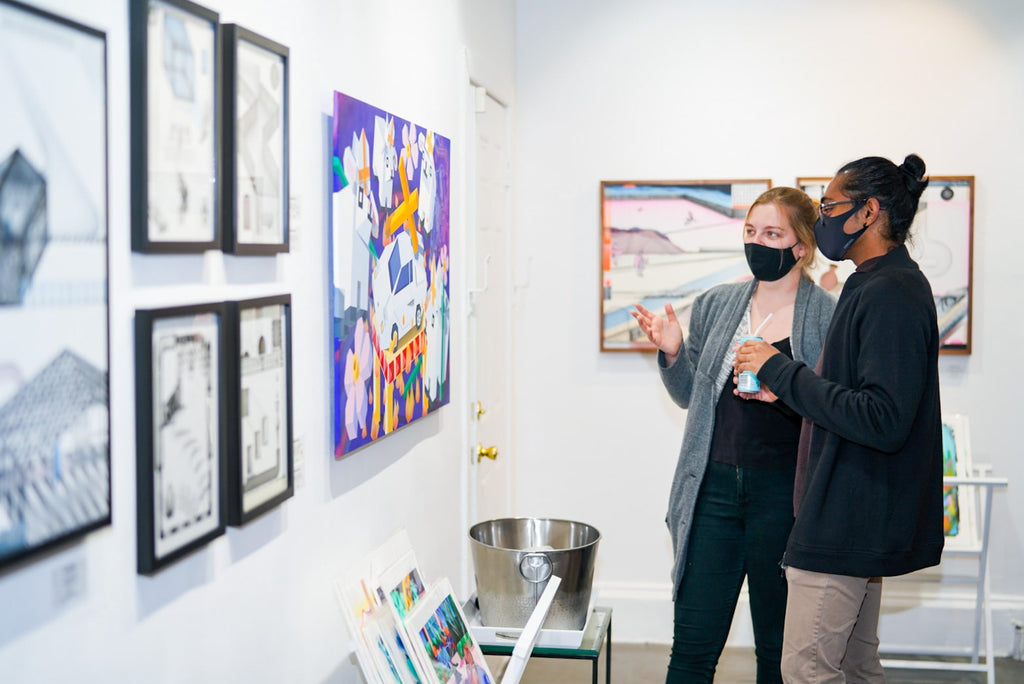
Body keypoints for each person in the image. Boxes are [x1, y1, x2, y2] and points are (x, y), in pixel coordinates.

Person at [734, 154, 943, 683]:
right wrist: (784, 394)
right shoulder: (874, 282)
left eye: (829, 205)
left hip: (846, 520)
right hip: (853, 514)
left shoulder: (890, 291)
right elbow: (850, 398)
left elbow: (883, 417)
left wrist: (781, 370)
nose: (822, 216)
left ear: (868, 212)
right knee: (855, 666)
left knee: (806, 670)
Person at [632, 187, 836, 683]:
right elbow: (688, 397)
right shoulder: (716, 304)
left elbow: (831, 410)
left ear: (802, 246)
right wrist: (674, 351)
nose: (758, 242)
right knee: (692, 651)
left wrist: (783, 393)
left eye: (772, 234)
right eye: (750, 232)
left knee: (778, 654)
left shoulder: (827, 316)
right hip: (712, 493)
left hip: (785, 500)